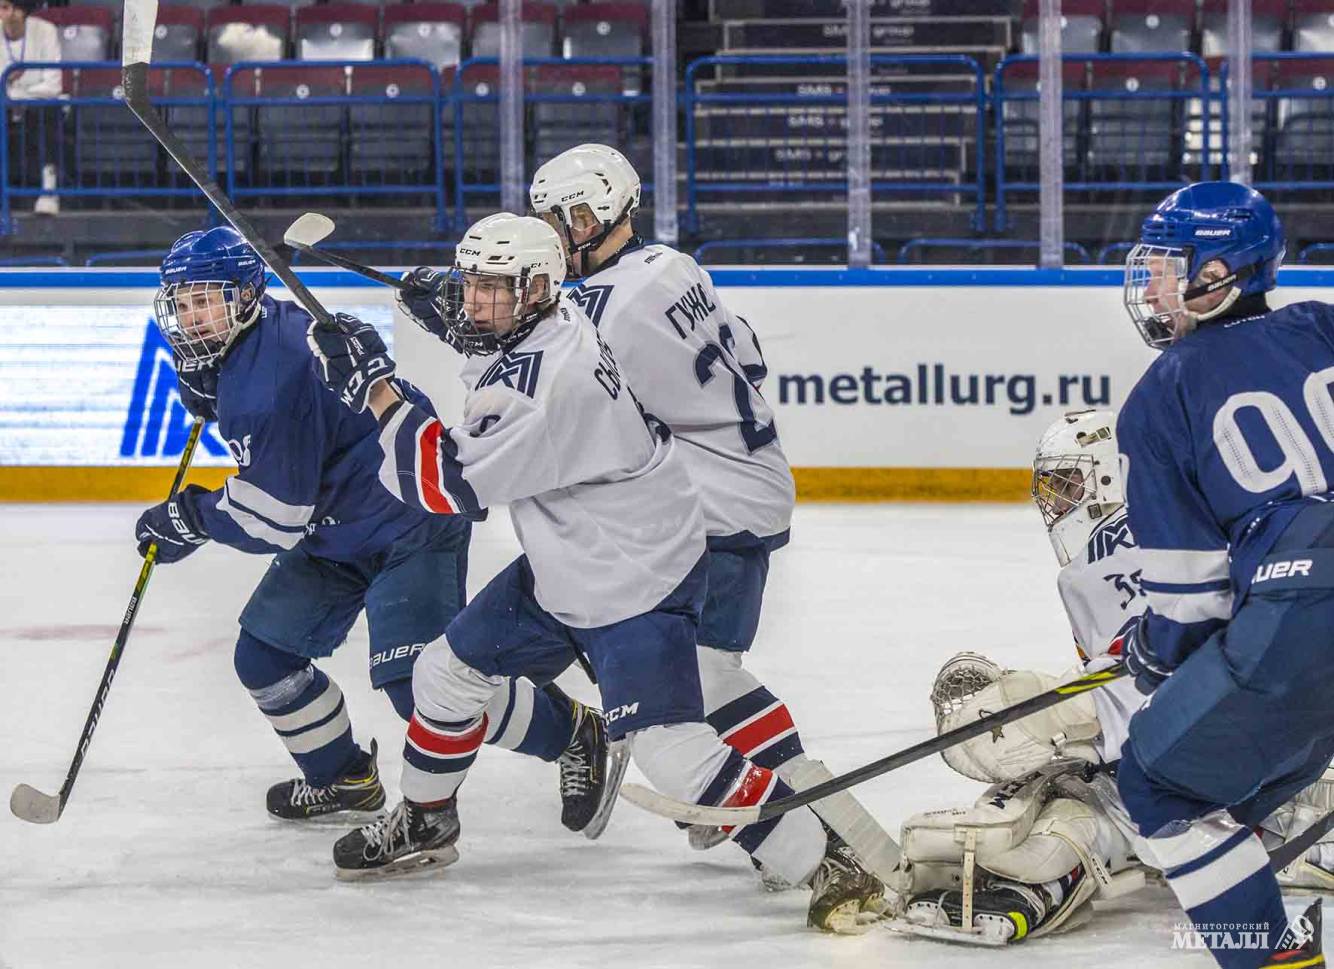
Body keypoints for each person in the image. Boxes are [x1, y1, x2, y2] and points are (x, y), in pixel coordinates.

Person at [306, 212, 888, 933]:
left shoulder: (546, 386)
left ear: (541, 287)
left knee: (672, 754)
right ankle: (427, 820)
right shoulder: (558, 320)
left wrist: (373, 388)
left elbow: (444, 483)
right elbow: (504, 347)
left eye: (493, 288)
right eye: (472, 284)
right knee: (442, 675)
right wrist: (451, 317)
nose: (474, 300)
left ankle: (824, 859)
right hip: (576, 559)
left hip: (631, 579)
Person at [135, 226, 597, 829]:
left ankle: (574, 732)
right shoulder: (254, 338)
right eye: (186, 303)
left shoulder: (267, 380)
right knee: (265, 657)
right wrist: (215, 387)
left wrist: (186, 519)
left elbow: (273, 518)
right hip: (337, 527)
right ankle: (345, 778)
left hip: (407, 520)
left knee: (419, 688)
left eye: (208, 301)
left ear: (247, 296)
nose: (194, 319)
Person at [1114, 181, 1332, 969]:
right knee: (1256, 773)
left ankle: (1273, 960)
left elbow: (1190, 596)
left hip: (1307, 606)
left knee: (1159, 785)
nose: (1156, 285)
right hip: (1307, 608)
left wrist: (1153, 654)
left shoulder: (1161, 394)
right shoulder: (1325, 326)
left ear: (1222, 273)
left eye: (1173, 267)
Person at [0, 0, 60, 214]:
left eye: (6, 7)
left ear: (20, 11)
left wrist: (15, 94)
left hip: (39, 103)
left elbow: (53, 84)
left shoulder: (46, 31)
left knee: (48, 113)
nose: (3, 14)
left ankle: (48, 191)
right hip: (4, 104)